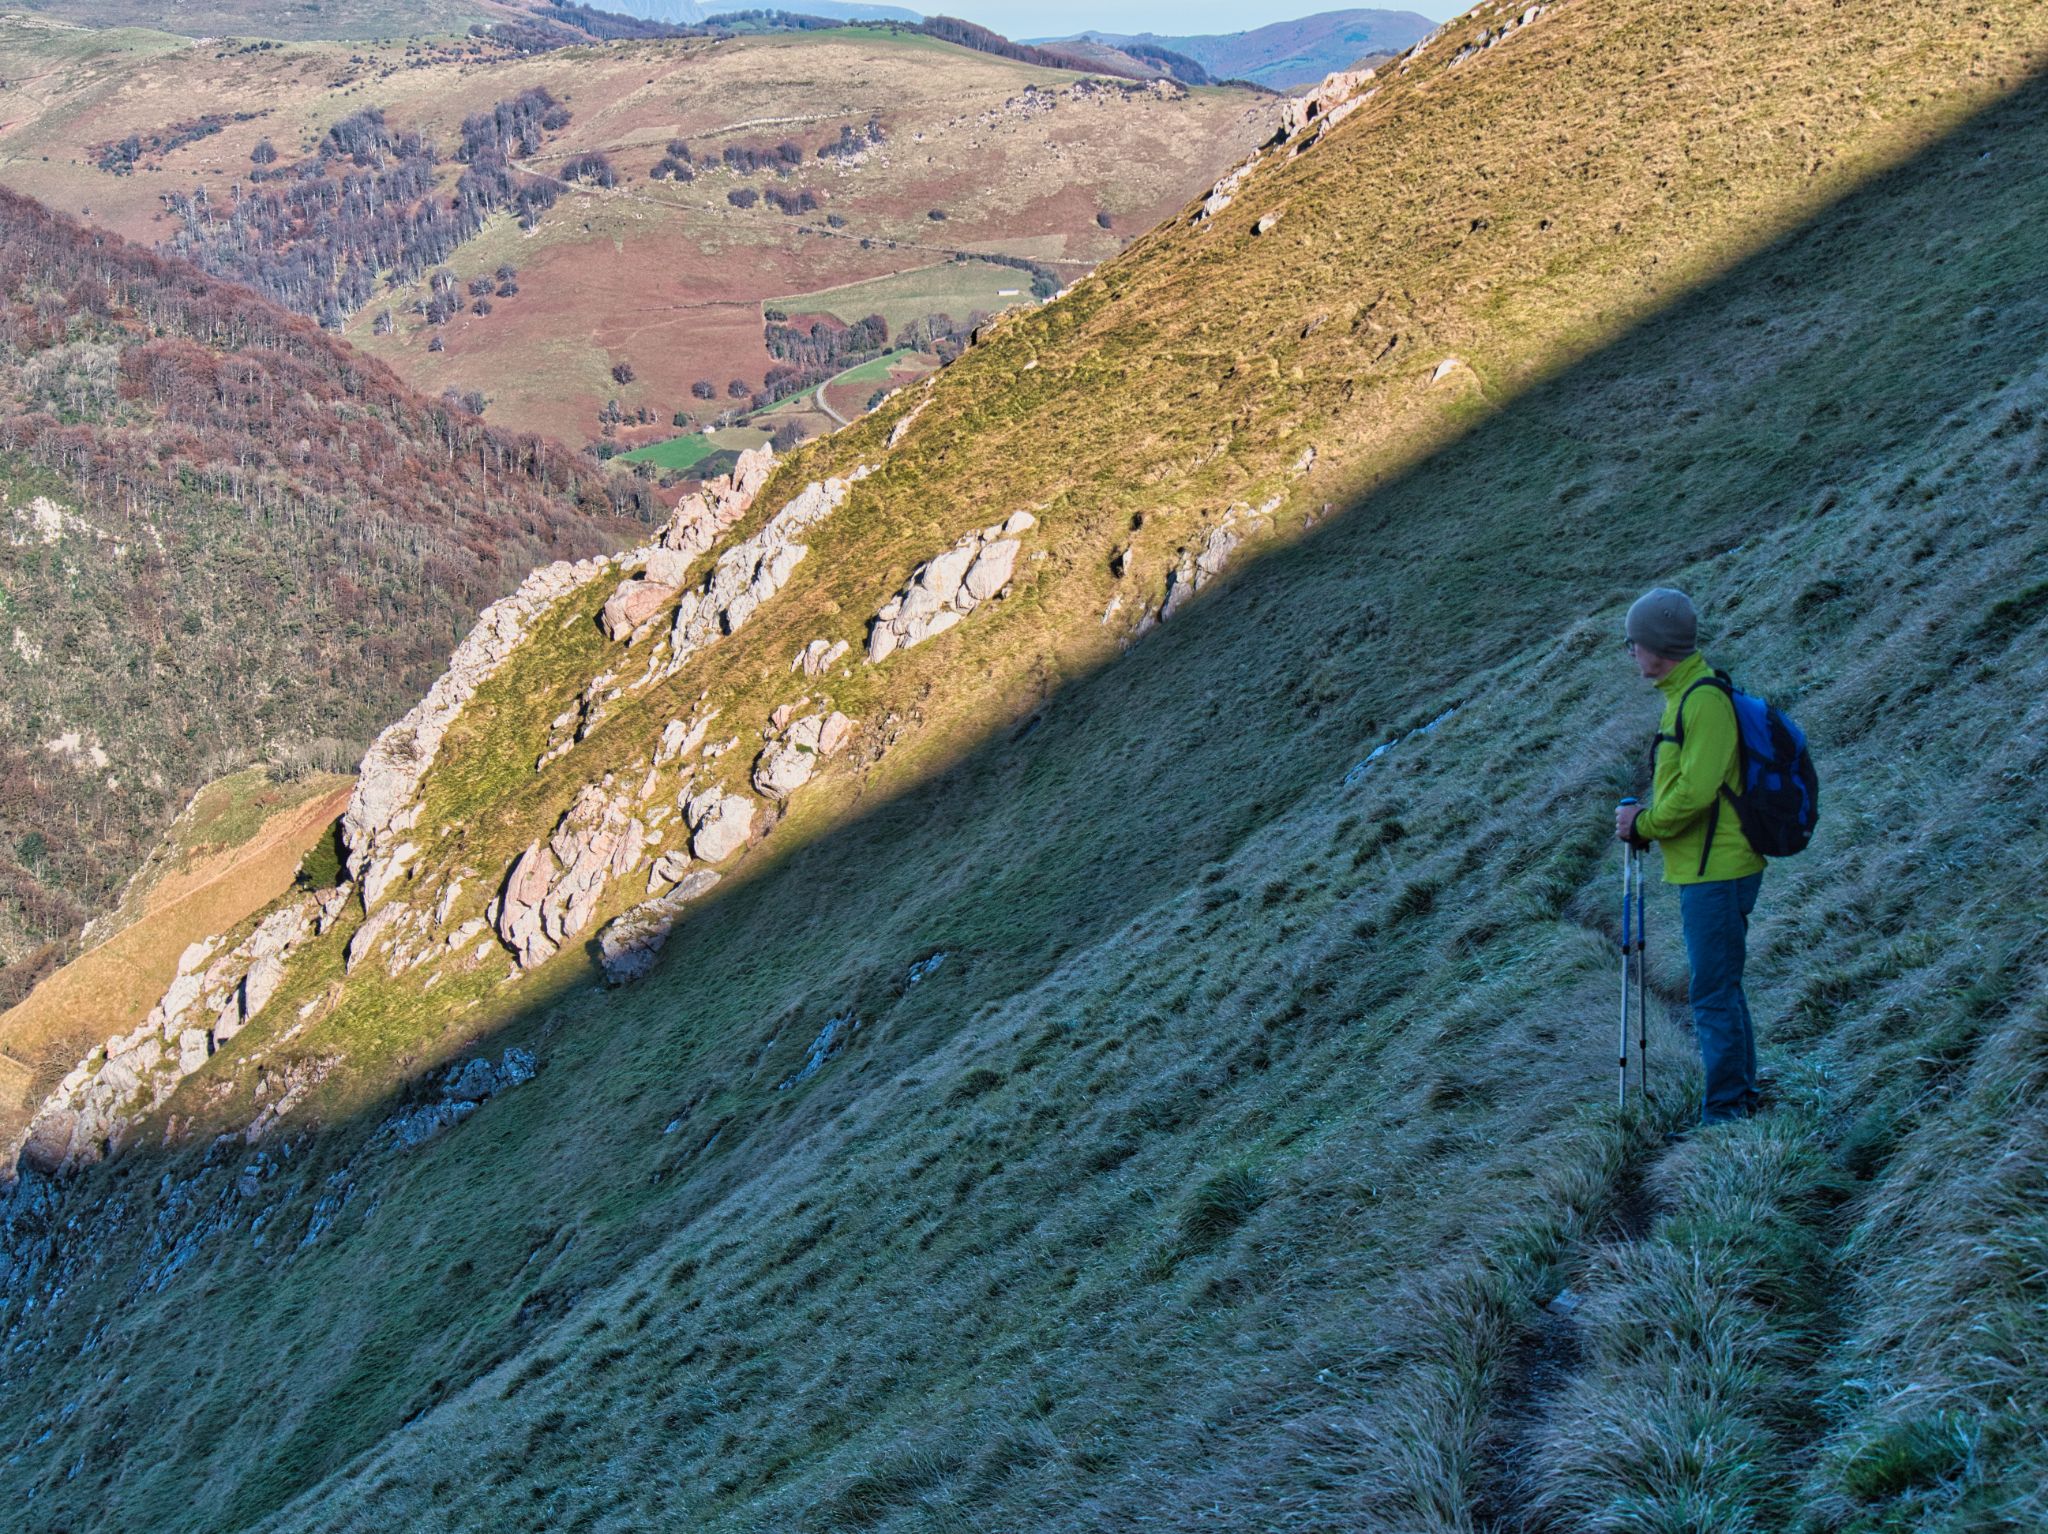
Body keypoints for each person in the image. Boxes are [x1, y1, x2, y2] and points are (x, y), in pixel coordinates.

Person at [1613, 587, 1767, 1126]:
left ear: (1659, 646)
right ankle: (1740, 1094)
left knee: (1710, 992)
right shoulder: (1684, 695)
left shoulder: (1702, 700)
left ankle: (1726, 1113)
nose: (1631, 652)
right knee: (1721, 985)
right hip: (1708, 866)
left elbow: (1696, 792)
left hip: (1718, 869)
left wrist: (1645, 824)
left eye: (1634, 643)